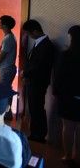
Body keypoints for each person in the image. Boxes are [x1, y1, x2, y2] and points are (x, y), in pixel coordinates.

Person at [22, 19, 55, 143]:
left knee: (37, 108)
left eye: (29, 33)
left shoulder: (46, 45)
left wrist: (25, 73)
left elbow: (40, 66)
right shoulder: (38, 43)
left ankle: (39, 134)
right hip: (33, 81)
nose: (28, 36)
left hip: (39, 82)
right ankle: (35, 132)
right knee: (34, 107)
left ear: (35, 31)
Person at [53, 25, 80, 164]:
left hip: (67, 96)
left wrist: (56, 93)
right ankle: (78, 156)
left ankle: (68, 156)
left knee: (68, 127)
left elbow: (59, 77)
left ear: (71, 37)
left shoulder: (66, 55)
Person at [0, 15, 18, 119]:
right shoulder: (9, 36)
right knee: (6, 89)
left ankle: (6, 112)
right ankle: (7, 112)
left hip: (7, 68)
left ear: (4, 25)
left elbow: (3, 53)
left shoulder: (8, 38)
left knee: (4, 91)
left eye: (0, 22)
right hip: (7, 68)